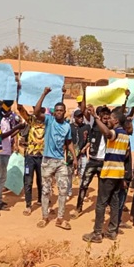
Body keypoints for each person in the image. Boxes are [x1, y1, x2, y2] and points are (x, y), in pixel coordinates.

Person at [83, 107, 130, 242]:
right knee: (114, 202)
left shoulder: (115, 133)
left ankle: (97, 233)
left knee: (101, 202)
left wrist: (96, 117)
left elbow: (108, 133)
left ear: (115, 120)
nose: (108, 120)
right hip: (119, 173)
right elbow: (126, 154)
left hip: (109, 171)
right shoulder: (126, 135)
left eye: (110, 118)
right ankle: (112, 231)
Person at [35, 87, 77, 230]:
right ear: (54, 111)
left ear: (64, 112)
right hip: (47, 161)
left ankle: (60, 218)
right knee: (46, 190)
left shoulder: (67, 126)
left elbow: (69, 142)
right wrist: (44, 93)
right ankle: (44, 217)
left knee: (63, 190)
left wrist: (74, 157)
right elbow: (36, 112)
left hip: (60, 161)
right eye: (56, 110)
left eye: (61, 110)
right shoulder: (49, 120)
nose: (59, 112)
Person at [73, 107, 111, 217]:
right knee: (84, 184)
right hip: (93, 161)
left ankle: (106, 205)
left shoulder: (110, 128)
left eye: (108, 116)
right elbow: (85, 110)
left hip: (105, 162)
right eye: (103, 115)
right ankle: (78, 208)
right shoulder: (93, 125)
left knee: (104, 187)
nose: (106, 118)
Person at [18, 99, 46, 216]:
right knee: (28, 181)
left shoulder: (48, 122)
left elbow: (59, 109)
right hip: (30, 156)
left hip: (42, 156)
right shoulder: (31, 120)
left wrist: (62, 94)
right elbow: (20, 109)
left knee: (42, 181)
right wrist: (18, 94)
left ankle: (40, 200)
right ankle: (28, 205)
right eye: (36, 109)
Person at [0, 108, 25, 211]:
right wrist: (15, 128)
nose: (10, 112)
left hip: (5, 151)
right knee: (0, 177)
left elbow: (8, 136)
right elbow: (1, 136)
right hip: (1, 151)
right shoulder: (0, 121)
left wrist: (17, 130)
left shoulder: (6, 121)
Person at [70, 109, 90, 198]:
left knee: (84, 173)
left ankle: (82, 192)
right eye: (78, 117)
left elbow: (90, 140)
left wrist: (85, 148)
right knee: (70, 173)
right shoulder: (69, 127)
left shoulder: (86, 127)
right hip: (71, 154)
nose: (81, 118)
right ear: (74, 118)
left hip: (83, 154)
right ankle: (69, 192)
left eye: (81, 117)